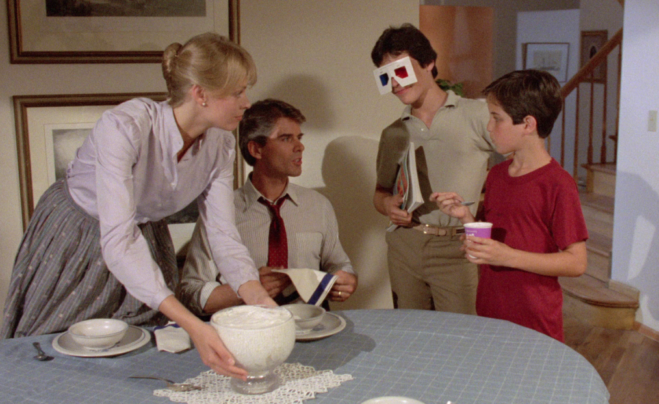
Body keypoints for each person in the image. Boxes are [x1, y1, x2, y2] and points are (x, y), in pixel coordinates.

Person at [1, 32, 275, 378]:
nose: (247, 102)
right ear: (200, 94)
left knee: (138, 348)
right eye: (237, 92)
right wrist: (194, 325)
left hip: (143, 234)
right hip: (79, 233)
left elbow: (222, 232)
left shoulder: (219, 145)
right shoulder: (125, 127)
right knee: (55, 348)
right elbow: (118, 241)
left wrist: (257, 296)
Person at [430, 69, 588, 341]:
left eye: (496, 118)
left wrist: (507, 256)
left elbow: (577, 262)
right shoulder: (497, 175)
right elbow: (497, 242)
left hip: (535, 322)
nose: (489, 127)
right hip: (490, 310)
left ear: (528, 124)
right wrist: (466, 218)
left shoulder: (558, 184)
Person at [178, 99, 358, 315]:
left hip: (310, 325)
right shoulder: (220, 212)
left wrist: (346, 280)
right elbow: (191, 293)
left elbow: (339, 265)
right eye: (286, 138)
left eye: (299, 138)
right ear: (256, 149)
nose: (300, 146)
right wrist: (248, 289)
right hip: (248, 328)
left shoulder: (319, 206)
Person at [371, 23, 495, 313]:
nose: (395, 83)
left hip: (458, 247)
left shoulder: (478, 115)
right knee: (411, 332)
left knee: (461, 333)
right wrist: (388, 205)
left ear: (428, 63)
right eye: (386, 76)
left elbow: (519, 163)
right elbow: (380, 192)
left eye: (401, 71)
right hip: (405, 245)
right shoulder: (394, 133)